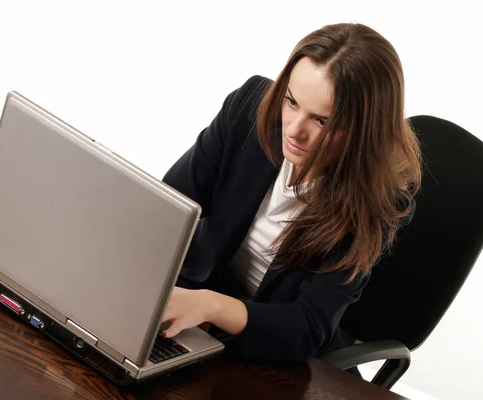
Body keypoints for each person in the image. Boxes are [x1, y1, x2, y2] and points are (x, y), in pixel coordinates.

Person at [160, 22, 422, 365]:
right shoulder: (248, 106)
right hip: (189, 312)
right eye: (291, 101)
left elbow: (308, 327)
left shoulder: (380, 203)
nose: (294, 130)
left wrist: (211, 306)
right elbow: (168, 209)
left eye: (323, 121)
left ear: (365, 131)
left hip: (266, 347)